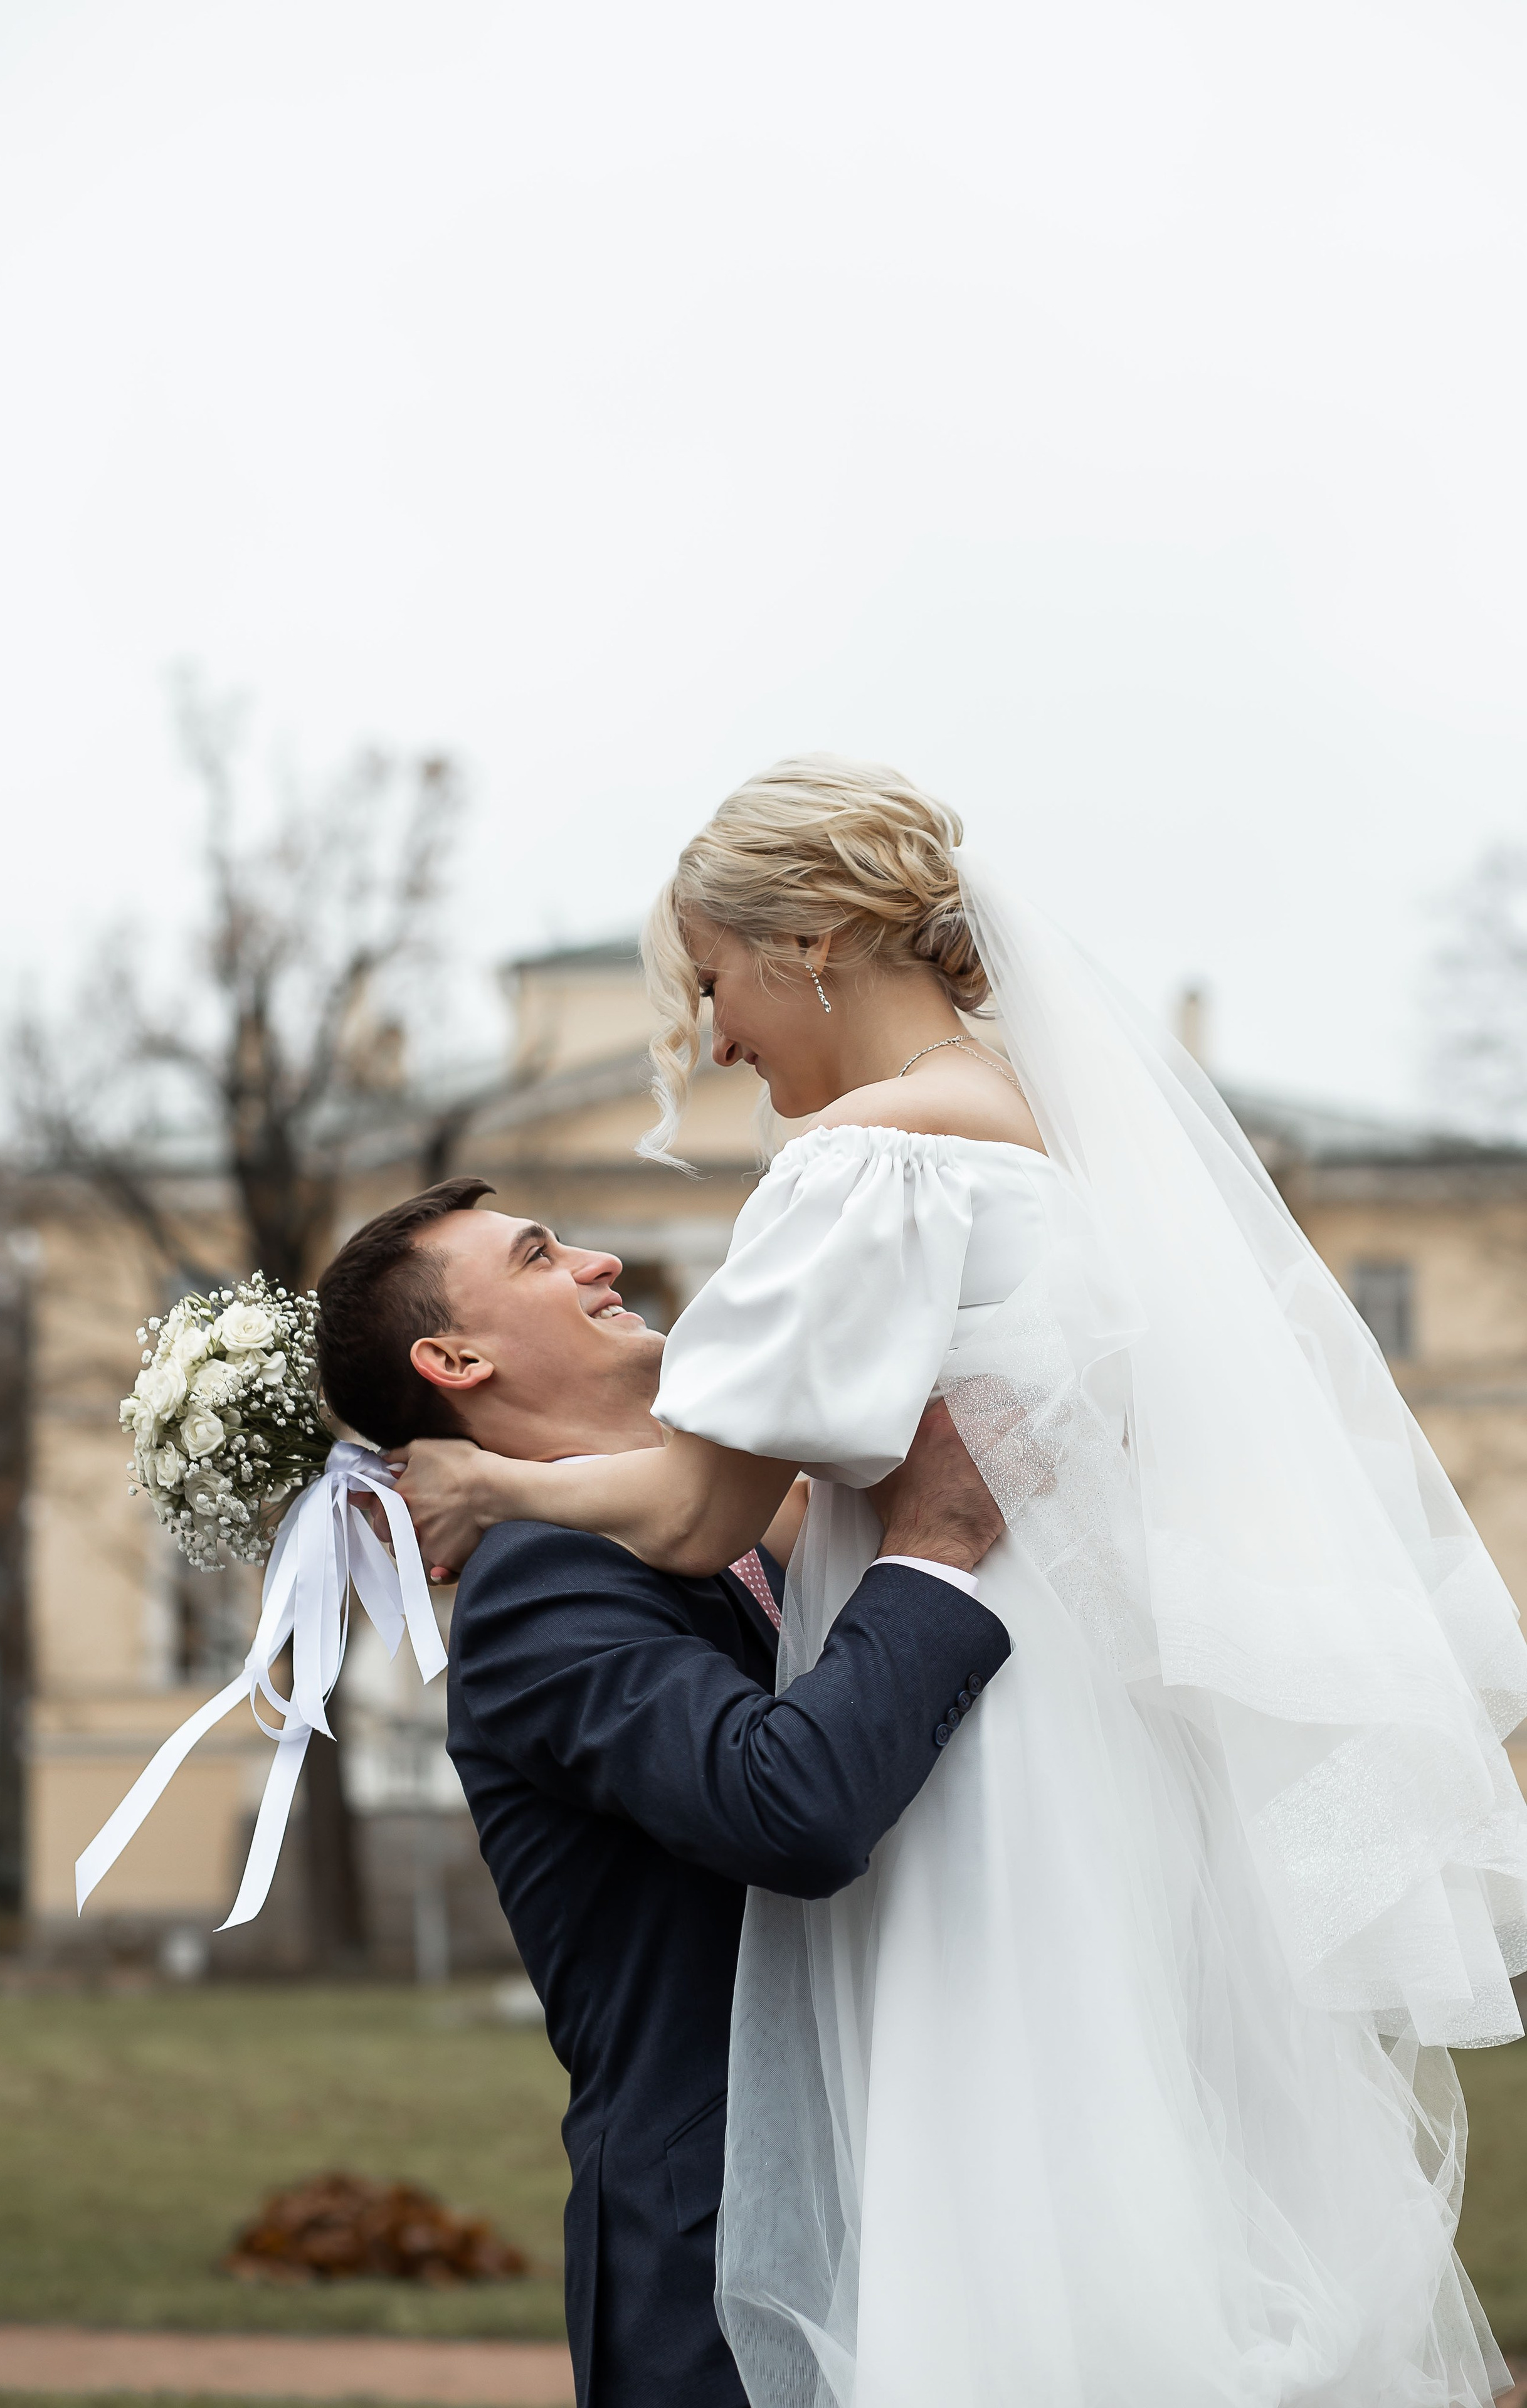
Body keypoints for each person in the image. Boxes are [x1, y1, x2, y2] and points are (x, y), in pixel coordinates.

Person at [392, 754, 1527, 2407]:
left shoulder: (862, 1162)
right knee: (1103, 2166)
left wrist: (492, 1480)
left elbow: (705, 1515)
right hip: (1104, 1735)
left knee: (973, 2177)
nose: (714, 1039)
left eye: (713, 982)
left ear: (810, 944)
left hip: (978, 1748)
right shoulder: (1048, 1144)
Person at [313, 1178, 1010, 2408]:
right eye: (538, 1256)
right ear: (455, 1359)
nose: (597, 1260)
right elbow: (787, 1804)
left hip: (903, 2199)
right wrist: (933, 1552)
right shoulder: (539, 1585)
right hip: (730, 2263)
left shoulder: (709, 1522)